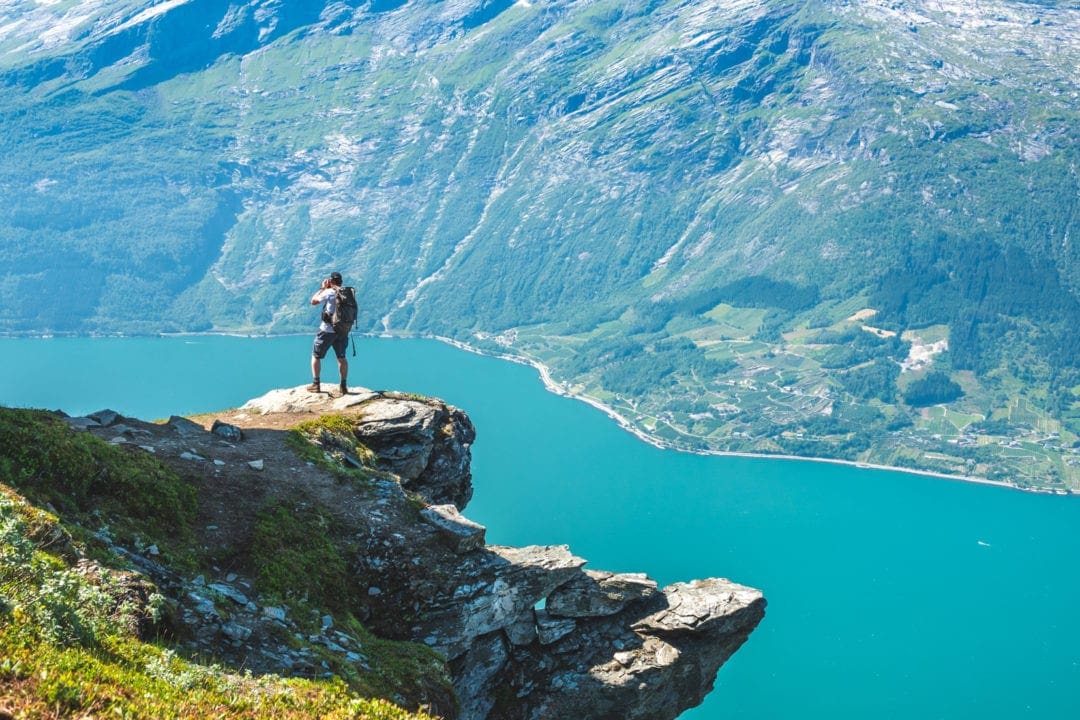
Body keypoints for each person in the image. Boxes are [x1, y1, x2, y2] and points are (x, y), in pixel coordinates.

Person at [307, 271, 349, 395]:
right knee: (341, 358)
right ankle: (343, 386)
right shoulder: (347, 292)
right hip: (342, 330)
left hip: (327, 330)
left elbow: (313, 301)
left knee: (316, 356)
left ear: (331, 281)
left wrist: (322, 288)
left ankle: (316, 384)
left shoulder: (329, 292)